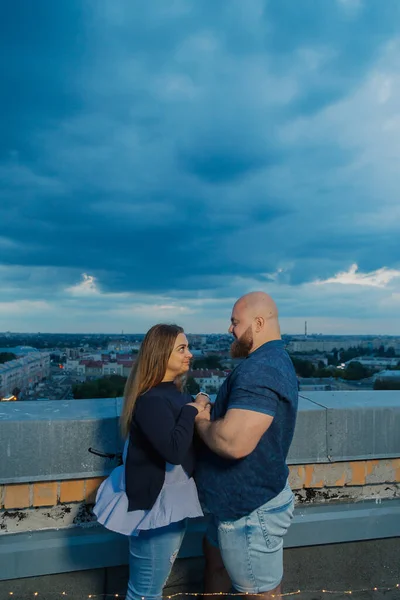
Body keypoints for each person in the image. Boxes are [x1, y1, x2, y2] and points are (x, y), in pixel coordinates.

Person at [93, 324, 210, 600]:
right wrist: (192, 411)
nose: (190, 354)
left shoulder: (171, 393)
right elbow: (173, 451)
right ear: (160, 355)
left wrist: (197, 401)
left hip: (169, 502)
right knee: (145, 592)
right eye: (182, 348)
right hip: (157, 508)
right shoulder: (152, 400)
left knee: (149, 589)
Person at [195, 292, 298, 599]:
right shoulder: (272, 359)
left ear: (258, 322)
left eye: (234, 322)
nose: (230, 329)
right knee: (217, 567)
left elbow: (233, 442)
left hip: (249, 512)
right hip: (235, 505)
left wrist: (201, 419)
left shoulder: (260, 369)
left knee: (260, 593)